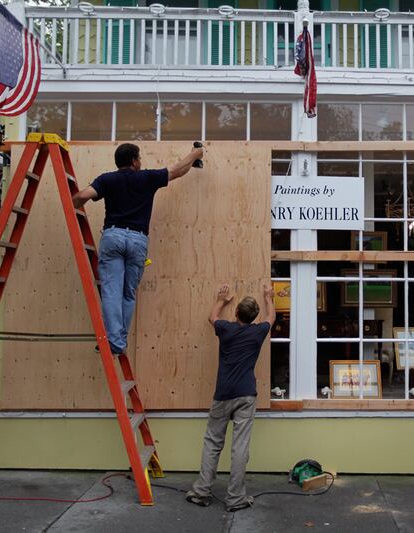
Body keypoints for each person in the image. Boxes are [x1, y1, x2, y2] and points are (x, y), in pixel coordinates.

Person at [71, 143, 203, 356]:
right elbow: (179, 170)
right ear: (133, 160)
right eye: (139, 158)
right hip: (137, 240)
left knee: (112, 292)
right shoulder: (147, 178)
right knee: (128, 294)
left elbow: (81, 197)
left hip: (113, 237)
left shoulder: (107, 179)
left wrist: (73, 202)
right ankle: (118, 341)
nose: (140, 162)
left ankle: (116, 341)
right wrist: (196, 153)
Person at [185, 283, 276, 512]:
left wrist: (222, 299)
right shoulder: (258, 331)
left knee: (213, 443)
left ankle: (201, 492)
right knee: (240, 447)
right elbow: (272, 317)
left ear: (236, 314)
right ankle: (235, 498)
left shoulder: (226, 329)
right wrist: (268, 297)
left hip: (223, 395)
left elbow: (212, 317)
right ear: (254, 317)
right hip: (246, 395)